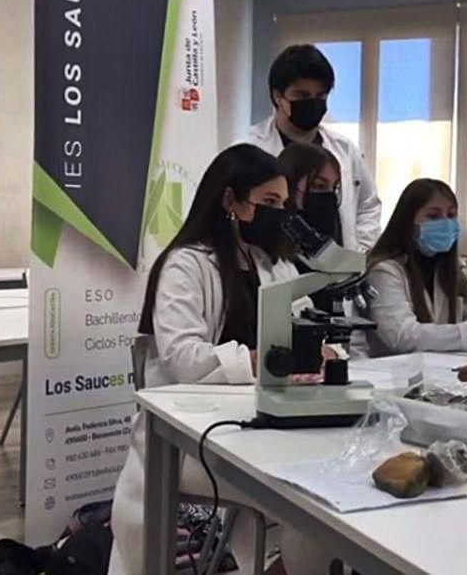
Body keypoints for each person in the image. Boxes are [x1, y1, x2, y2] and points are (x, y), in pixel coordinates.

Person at [109, 144, 335, 575]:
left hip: (261, 429)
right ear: (230, 201)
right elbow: (184, 360)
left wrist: (320, 351)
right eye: (268, 203)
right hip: (191, 440)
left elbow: (306, 325)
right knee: (311, 502)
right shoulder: (185, 266)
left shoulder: (274, 266)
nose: (279, 213)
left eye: (284, 204)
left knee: (325, 499)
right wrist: (258, 360)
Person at [360, 178, 467, 357]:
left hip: (438, 370)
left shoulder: (451, 268)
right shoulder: (385, 271)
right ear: (408, 222)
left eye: (451, 215)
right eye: (433, 216)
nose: (445, 222)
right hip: (391, 374)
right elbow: (402, 337)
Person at [244, 44, 382, 250]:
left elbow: (368, 207)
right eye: (302, 96)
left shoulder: (345, 150)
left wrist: (357, 252)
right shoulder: (249, 149)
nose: (313, 103)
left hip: (338, 267)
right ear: (277, 96)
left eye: (321, 96)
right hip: (274, 265)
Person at [278, 142, 344, 246]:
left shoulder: (331, 229)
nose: (329, 195)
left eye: (335, 187)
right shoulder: (270, 242)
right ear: (290, 185)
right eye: (319, 186)